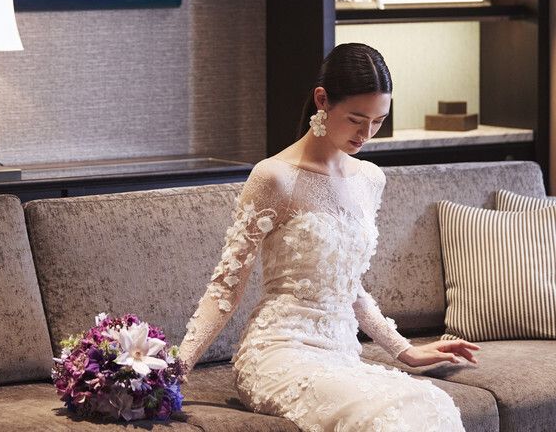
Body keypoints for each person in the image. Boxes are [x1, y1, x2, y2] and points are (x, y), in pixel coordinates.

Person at [178, 43, 480, 431]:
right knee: (389, 417)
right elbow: (226, 287)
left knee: (433, 403)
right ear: (322, 100)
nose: (366, 134)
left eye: (379, 121)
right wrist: (175, 369)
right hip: (278, 353)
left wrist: (405, 350)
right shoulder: (274, 177)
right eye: (356, 119)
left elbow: (348, 286)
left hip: (342, 355)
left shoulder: (370, 179)